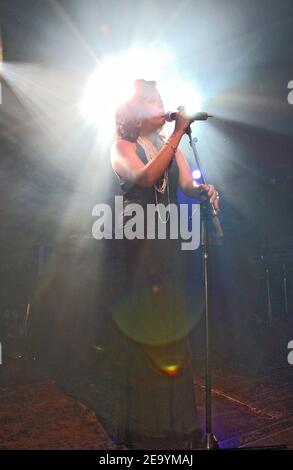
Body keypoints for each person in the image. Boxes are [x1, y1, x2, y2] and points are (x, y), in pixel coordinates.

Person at [109, 79, 219, 450]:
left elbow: (186, 184)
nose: (161, 106)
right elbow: (145, 176)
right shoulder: (121, 147)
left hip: (168, 249)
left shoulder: (170, 146)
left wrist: (204, 190)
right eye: (152, 101)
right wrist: (176, 134)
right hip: (138, 252)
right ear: (136, 113)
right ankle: (143, 432)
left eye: (161, 100)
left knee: (172, 336)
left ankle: (177, 425)